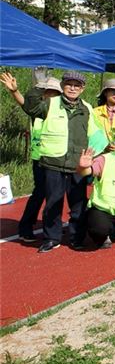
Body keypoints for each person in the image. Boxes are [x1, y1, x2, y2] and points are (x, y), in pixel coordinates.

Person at [5, 70, 105, 252]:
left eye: (77, 86)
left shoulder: (87, 108)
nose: (72, 88)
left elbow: (96, 133)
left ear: (82, 88)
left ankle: (77, 238)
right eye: (69, 84)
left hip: (77, 164)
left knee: (78, 203)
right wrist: (32, 88)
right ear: (62, 86)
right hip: (53, 162)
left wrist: (95, 156)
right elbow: (30, 107)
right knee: (52, 202)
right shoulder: (50, 103)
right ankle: (52, 238)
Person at [0, 74, 61, 244]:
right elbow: (25, 105)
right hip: (40, 158)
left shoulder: (63, 111)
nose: (51, 96)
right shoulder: (38, 110)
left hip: (57, 158)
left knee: (55, 193)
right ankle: (25, 226)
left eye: (55, 93)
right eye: (48, 92)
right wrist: (15, 91)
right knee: (40, 192)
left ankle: (52, 228)